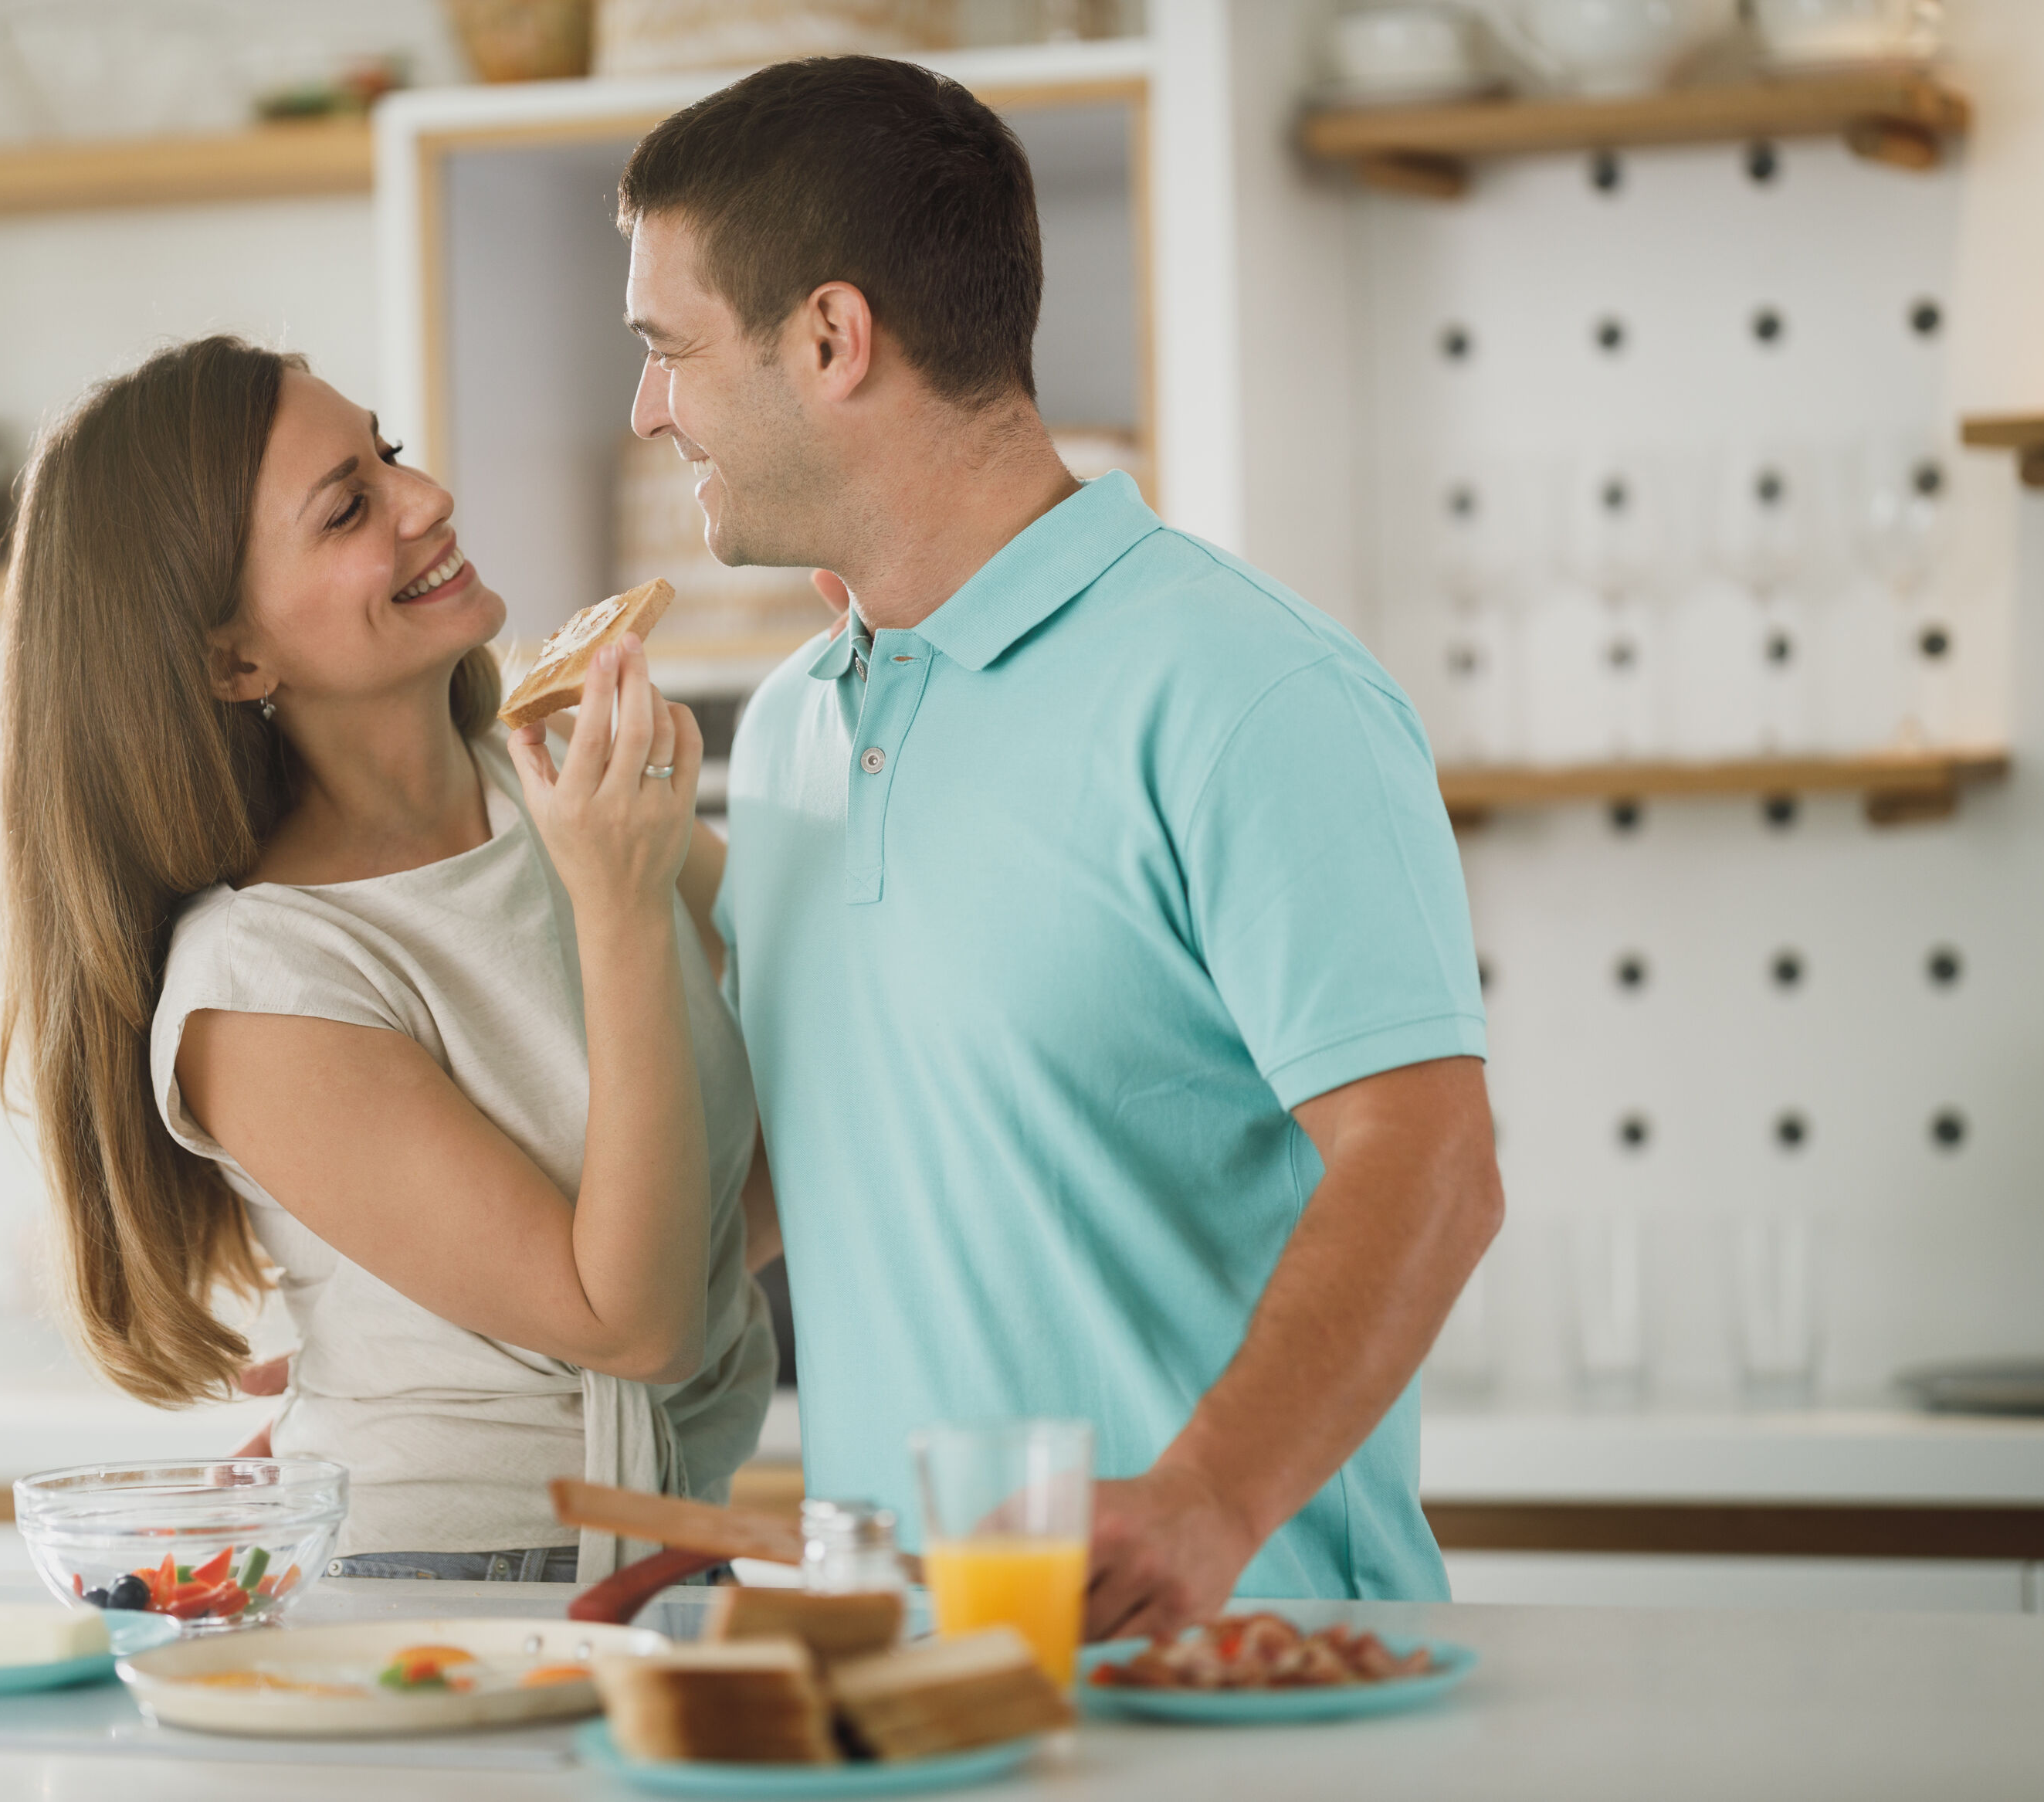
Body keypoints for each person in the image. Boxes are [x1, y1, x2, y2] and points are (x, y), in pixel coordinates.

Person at [616, 57, 1504, 1637]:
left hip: (1249, 1674)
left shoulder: (1244, 691)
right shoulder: (804, 724)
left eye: (667, 349)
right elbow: (773, 1183)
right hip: (938, 1678)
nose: (646, 409)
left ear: (831, 338)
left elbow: (1430, 1164)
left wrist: (1213, 1492)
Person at [0, 336, 776, 1581]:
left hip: (663, 1551)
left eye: (389, 455)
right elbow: (637, 1323)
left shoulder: (551, 788)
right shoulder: (261, 982)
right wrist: (621, 904)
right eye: (352, 505)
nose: (429, 501)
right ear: (234, 660)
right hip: (459, 1580)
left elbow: (799, 1104)